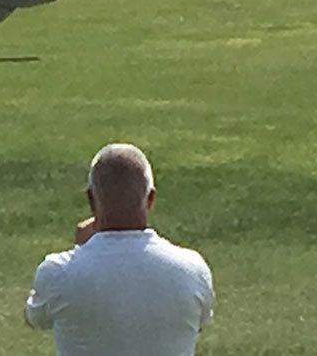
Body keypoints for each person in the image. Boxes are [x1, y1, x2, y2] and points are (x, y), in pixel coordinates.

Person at [24, 143, 214, 356]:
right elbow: (202, 319)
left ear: (91, 200)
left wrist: (81, 249)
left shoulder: (57, 273)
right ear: (149, 199)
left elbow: (36, 317)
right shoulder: (192, 269)